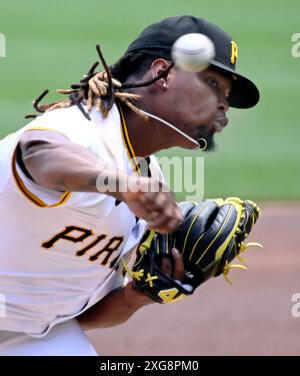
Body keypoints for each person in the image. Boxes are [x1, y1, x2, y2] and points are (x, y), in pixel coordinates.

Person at [0, 15, 259, 355]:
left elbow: (79, 315)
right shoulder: (82, 129)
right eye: (212, 83)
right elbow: (38, 155)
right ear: (161, 73)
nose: (223, 105)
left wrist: (137, 295)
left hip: (30, 335)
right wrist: (119, 185)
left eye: (225, 96)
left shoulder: (148, 177)